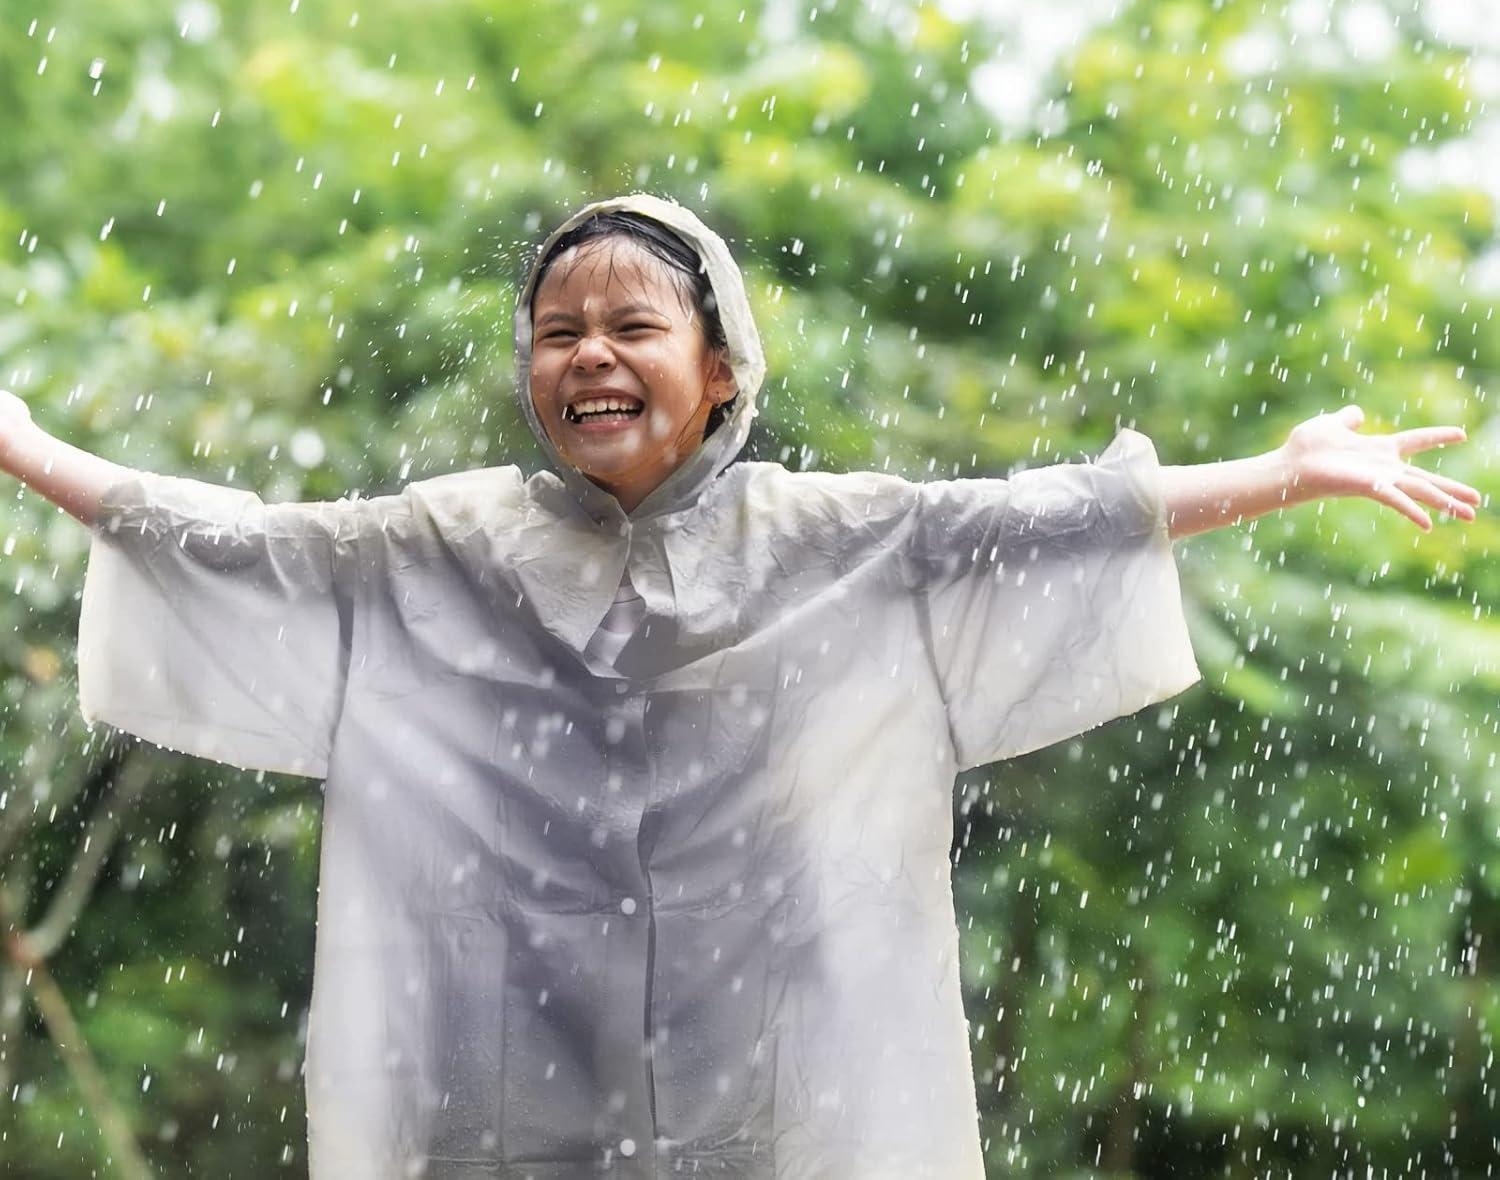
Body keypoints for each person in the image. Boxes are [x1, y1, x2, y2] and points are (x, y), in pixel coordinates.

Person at [0, 192, 1480, 1179]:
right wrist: (26, 445)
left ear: (720, 371)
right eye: (559, 333)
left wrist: (1282, 475)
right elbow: (237, 543)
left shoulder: (834, 543)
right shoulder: (442, 548)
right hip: (506, 1106)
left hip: (782, 1110)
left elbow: (1053, 519)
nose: (589, 355)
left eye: (632, 327)